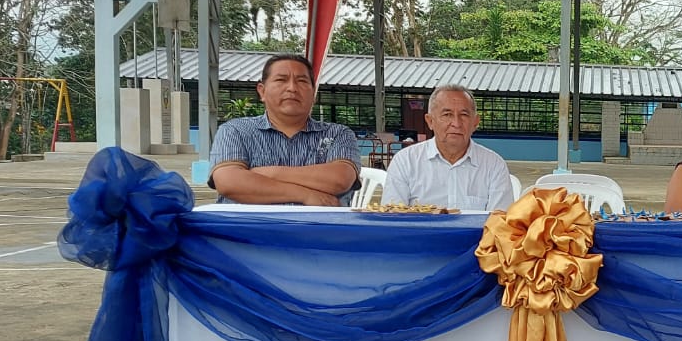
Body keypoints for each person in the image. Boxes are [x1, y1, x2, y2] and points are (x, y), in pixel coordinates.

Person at [209, 53, 361, 205]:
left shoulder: (338, 134)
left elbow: (340, 179)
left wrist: (269, 173)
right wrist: (305, 195)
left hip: (319, 221)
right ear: (262, 91)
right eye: (281, 80)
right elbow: (229, 182)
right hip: (248, 220)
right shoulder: (235, 130)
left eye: (302, 81)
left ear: (313, 93)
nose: (292, 88)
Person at [380, 84, 513, 212]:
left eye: (464, 115)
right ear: (430, 121)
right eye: (447, 114)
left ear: (475, 122)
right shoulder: (405, 162)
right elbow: (392, 219)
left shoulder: (494, 165)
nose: (456, 123)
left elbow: (500, 222)